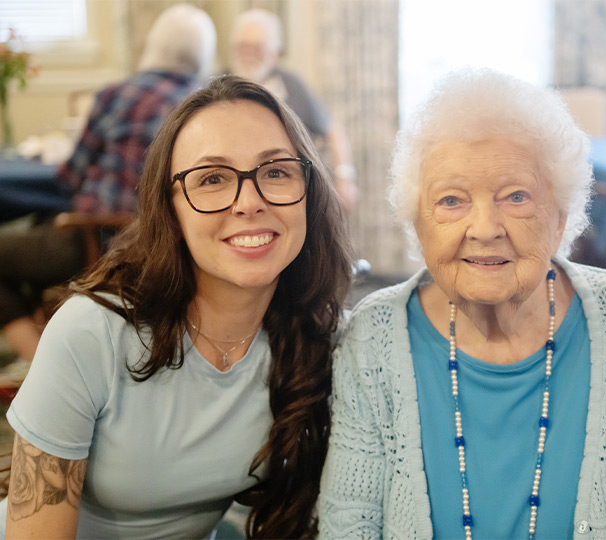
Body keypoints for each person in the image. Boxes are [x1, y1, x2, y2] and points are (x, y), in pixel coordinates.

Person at [318, 68, 606, 539]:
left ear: (560, 217)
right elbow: (349, 524)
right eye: (451, 200)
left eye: (516, 196)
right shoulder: (371, 339)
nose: (485, 228)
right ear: (417, 223)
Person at [2, 75, 353, 538]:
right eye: (212, 178)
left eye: (275, 172)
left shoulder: (317, 338)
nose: (250, 201)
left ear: (308, 190)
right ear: (170, 209)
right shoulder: (91, 333)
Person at [0, 3, 216, 363]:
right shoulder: (203, 106)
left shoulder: (117, 94)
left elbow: (70, 177)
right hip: (165, 249)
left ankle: (44, 366)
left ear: (154, 45)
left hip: (94, 244)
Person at [229, 8, 359, 209]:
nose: (249, 55)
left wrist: (345, 178)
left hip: (291, 186)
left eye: (257, 48)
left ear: (275, 53)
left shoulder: (291, 85)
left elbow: (333, 129)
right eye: (243, 47)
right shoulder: (220, 85)